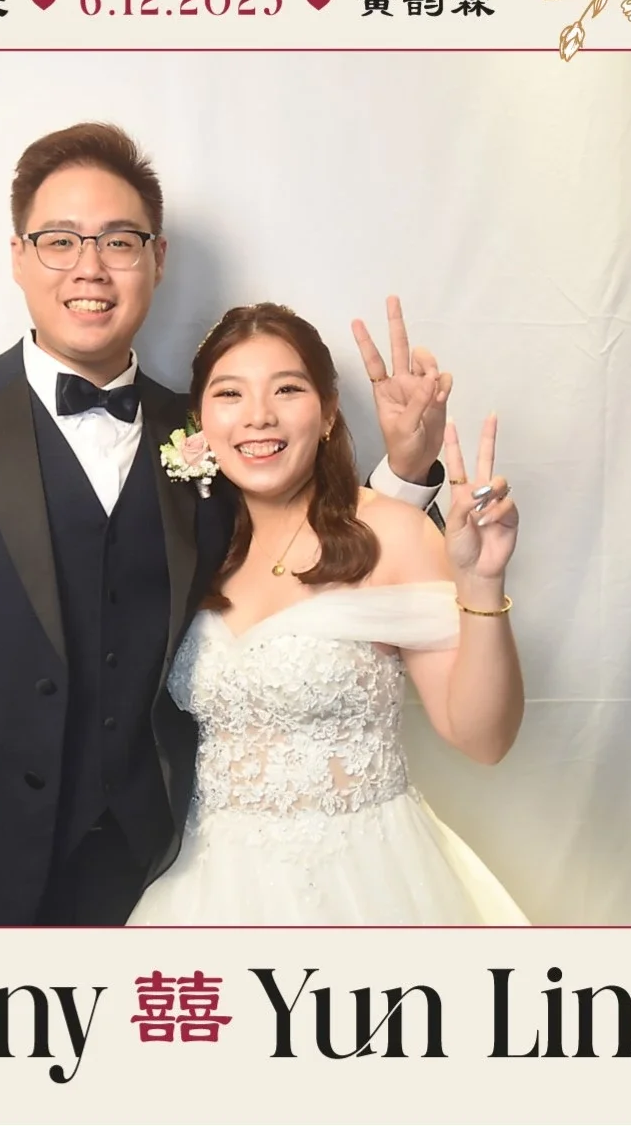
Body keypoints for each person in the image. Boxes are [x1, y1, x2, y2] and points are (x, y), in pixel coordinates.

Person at [0, 122, 453, 926]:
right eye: (60, 241)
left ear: (158, 259)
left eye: (119, 241)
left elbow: (307, 557)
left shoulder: (214, 429)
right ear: (18, 257)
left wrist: (404, 472)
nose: (90, 267)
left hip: (142, 878)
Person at [126, 302, 528, 926]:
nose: (259, 415)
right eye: (230, 393)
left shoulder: (394, 533)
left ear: (329, 410)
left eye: (287, 389)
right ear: (200, 421)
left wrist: (481, 582)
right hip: (206, 882)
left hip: (365, 880)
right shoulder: (192, 545)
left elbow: (483, 738)